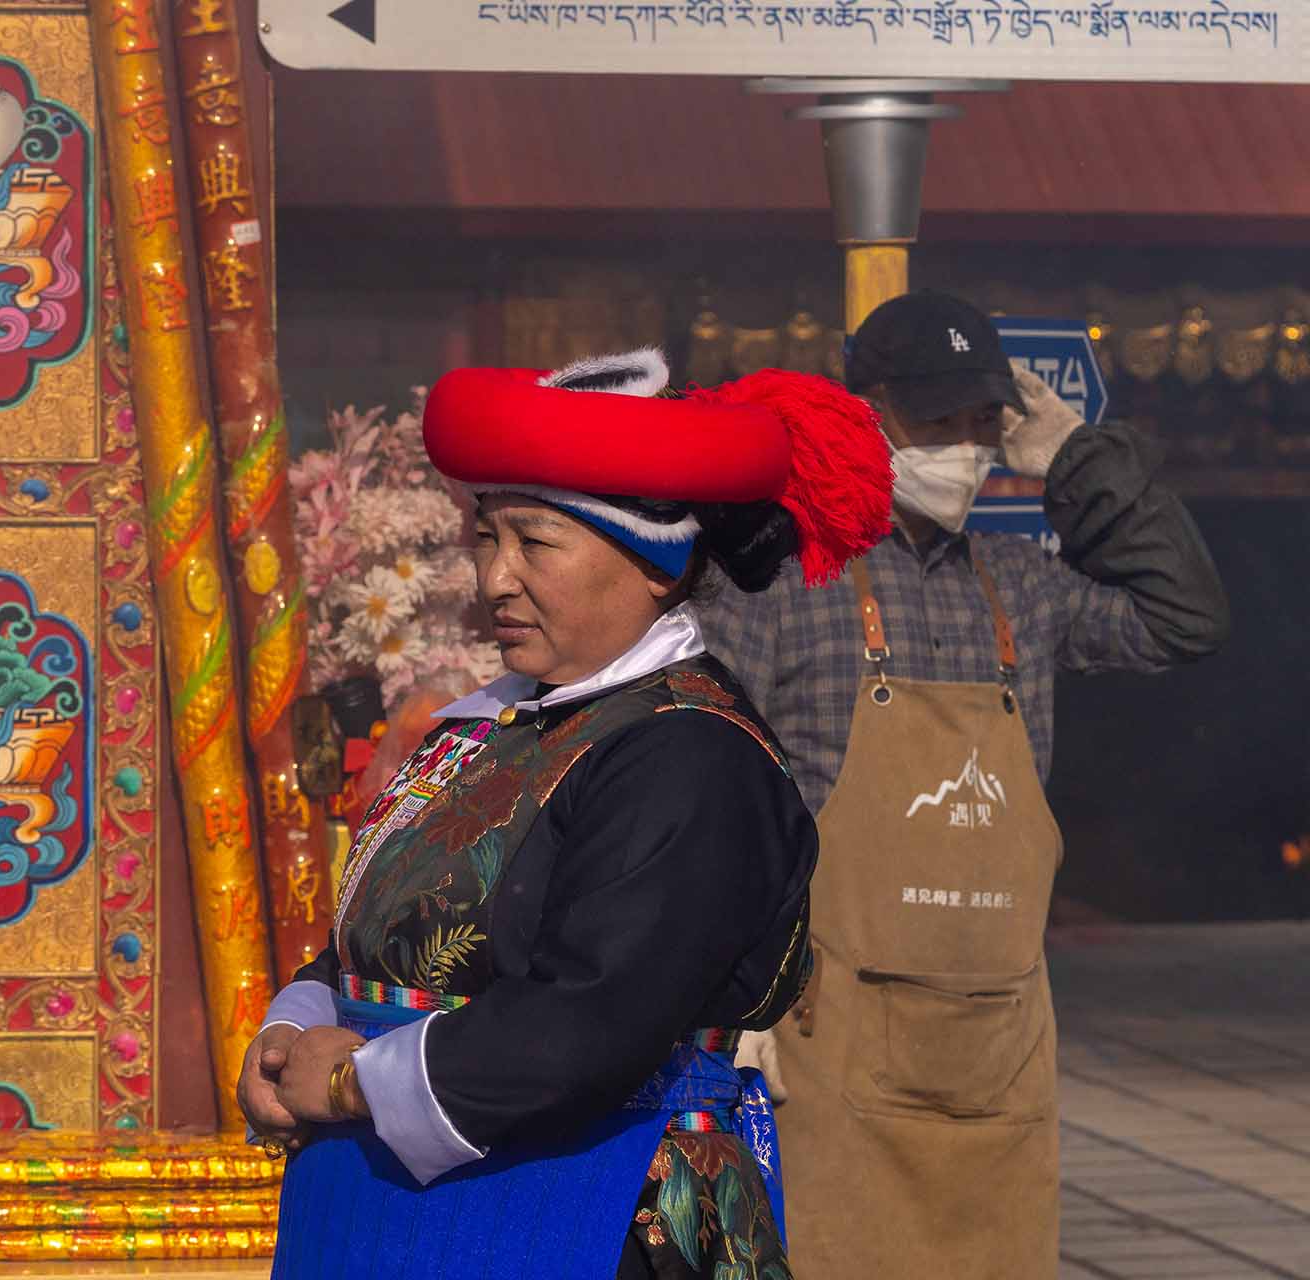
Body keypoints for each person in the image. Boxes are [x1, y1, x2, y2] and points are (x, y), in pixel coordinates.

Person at [238, 347, 896, 1280]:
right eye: (485, 536)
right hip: (403, 1211)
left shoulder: (689, 755)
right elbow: (389, 932)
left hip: (580, 1210)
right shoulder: (487, 727)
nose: (493, 579)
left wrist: (352, 1083)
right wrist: (295, 1023)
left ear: (657, 567)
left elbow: (594, 1020)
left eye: (535, 543)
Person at [704, 290, 1232, 1279]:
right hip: (831, 1058)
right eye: (934, 418)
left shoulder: (1021, 588)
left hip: (997, 1060)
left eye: (978, 419)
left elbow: (1184, 619)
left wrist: (1079, 457)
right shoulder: (786, 582)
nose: (962, 442)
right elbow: (710, 794)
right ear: (869, 415)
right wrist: (724, 996)